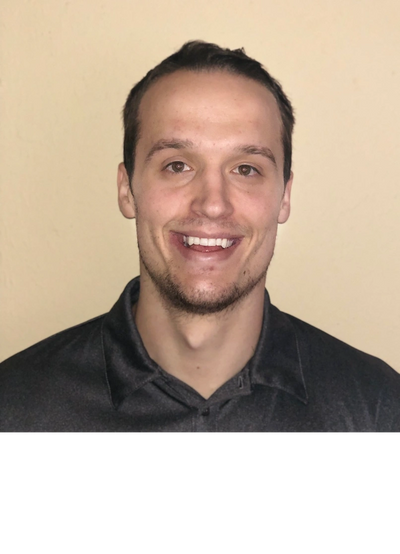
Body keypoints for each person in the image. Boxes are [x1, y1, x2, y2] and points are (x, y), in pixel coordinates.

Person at [1, 41, 399, 435]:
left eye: (246, 169)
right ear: (127, 190)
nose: (212, 204)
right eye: (177, 165)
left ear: (284, 197)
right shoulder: (14, 408)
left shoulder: (378, 409)